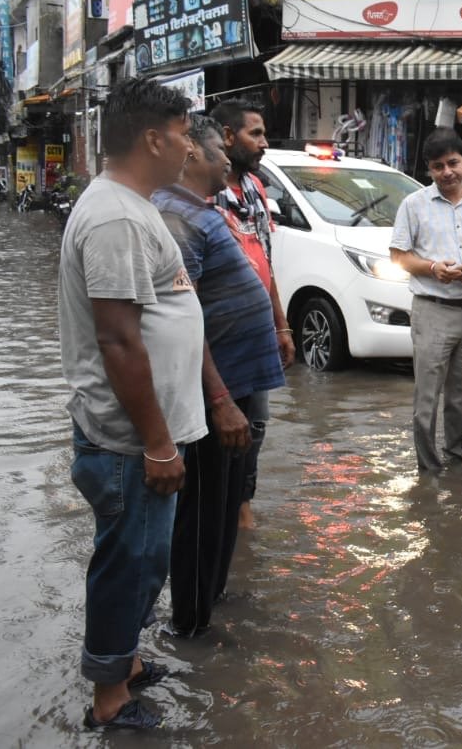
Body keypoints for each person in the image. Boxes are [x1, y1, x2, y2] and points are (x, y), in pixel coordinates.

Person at [58, 77, 205, 730]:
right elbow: (118, 340)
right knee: (129, 564)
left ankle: (125, 661)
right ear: (152, 139)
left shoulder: (132, 205)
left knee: (143, 559)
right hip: (128, 440)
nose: (189, 147)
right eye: (182, 134)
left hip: (140, 436)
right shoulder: (115, 216)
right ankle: (109, 699)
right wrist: (158, 442)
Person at [153, 115, 286, 637]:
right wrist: (220, 400)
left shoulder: (204, 211)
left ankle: (214, 596)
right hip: (216, 393)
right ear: (193, 155)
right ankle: (191, 626)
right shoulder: (177, 217)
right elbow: (184, 316)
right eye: (218, 150)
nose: (227, 159)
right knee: (204, 510)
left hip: (236, 387)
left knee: (225, 503)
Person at [390, 128, 462, 471]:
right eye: (438, 166)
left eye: (453, 163)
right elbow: (398, 256)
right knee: (426, 396)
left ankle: (456, 461)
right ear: (429, 169)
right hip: (432, 310)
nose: (447, 172)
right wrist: (432, 268)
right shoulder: (413, 205)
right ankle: (428, 469)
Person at [210, 99, 294, 530]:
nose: (264, 143)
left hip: (257, 327)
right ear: (228, 136)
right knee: (221, 421)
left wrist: (281, 324)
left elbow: (265, 260)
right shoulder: (206, 191)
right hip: (219, 332)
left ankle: (241, 503)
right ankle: (220, 509)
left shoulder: (256, 188)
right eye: (255, 134)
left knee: (255, 422)